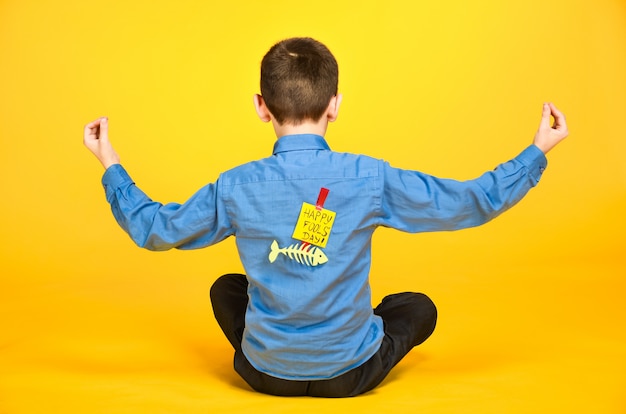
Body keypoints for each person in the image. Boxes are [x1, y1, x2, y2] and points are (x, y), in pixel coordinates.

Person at [83, 37, 568, 397]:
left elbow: (155, 229)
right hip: (349, 376)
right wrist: (536, 152)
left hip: (264, 375)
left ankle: (280, 352)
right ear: (335, 105)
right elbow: (468, 202)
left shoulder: (235, 185)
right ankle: (340, 340)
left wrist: (111, 163)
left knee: (225, 289)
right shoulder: (368, 177)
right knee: (417, 307)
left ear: (260, 107)